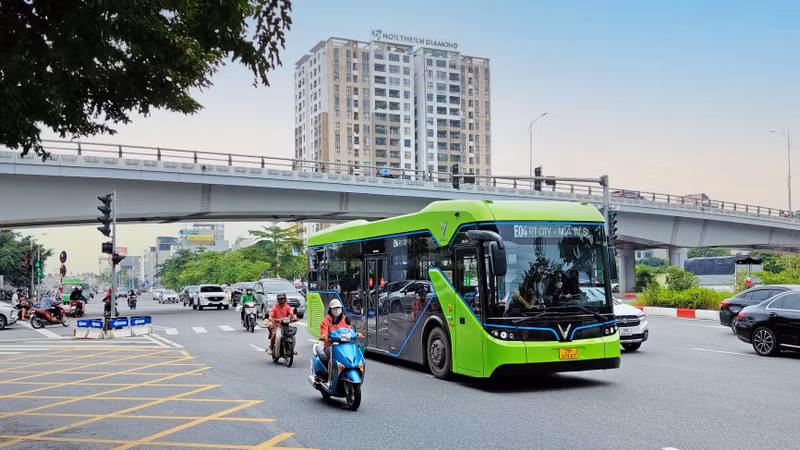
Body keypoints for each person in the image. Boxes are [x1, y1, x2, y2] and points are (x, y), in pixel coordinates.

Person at [319, 298, 354, 364]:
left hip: (344, 344)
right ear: (330, 310)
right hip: (330, 345)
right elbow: (324, 331)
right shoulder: (326, 321)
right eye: (334, 309)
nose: (336, 310)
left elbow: (349, 329)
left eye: (338, 308)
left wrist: (355, 334)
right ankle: (330, 373)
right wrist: (324, 336)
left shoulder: (344, 319)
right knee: (333, 355)